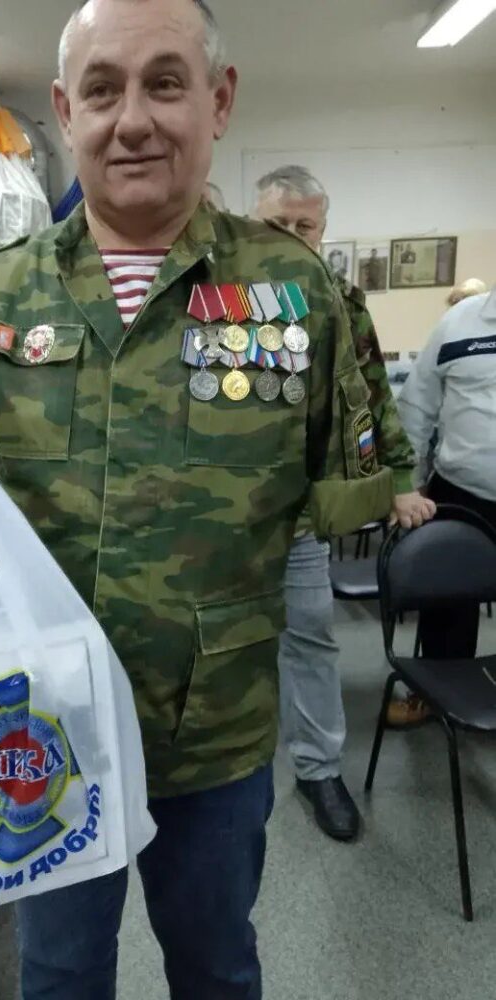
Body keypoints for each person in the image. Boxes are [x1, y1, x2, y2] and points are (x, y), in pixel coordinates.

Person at [0, 3, 393, 997]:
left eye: (165, 82)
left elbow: (348, 495)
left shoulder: (297, 292)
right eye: (103, 90)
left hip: (215, 730)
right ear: (66, 111)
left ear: (219, 101)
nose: (134, 120)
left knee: (217, 967)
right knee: (60, 973)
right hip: (40, 733)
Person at [254, 165, 435, 840]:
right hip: (220, 517)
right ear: (251, 223)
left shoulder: (343, 301)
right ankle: (217, 774)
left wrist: (401, 478)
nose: (290, 236)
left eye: (303, 226)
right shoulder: (214, 294)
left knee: (310, 636)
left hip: (301, 511)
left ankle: (318, 768)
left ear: (323, 230)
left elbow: (375, 392)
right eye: (276, 225)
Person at [397, 288, 496, 657]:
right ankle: (438, 684)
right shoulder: (460, 321)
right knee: (447, 619)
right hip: (461, 496)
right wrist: (409, 483)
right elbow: (415, 407)